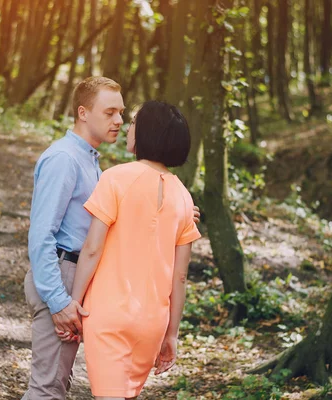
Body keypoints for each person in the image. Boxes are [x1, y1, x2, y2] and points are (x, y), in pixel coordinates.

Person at [23, 77, 199, 399]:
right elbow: (42, 235)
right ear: (83, 113)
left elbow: (121, 219)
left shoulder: (96, 164)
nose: (119, 121)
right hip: (63, 277)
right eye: (110, 113)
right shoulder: (65, 159)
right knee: (47, 388)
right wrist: (62, 301)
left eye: (122, 113)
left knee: (58, 384)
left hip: (83, 283)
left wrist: (175, 215)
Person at [69, 101, 201, 399]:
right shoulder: (183, 197)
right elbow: (179, 278)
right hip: (152, 323)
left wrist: (74, 303)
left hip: (109, 314)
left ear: (148, 132)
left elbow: (92, 249)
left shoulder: (116, 177)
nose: (128, 127)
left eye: (134, 122)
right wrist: (172, 334)